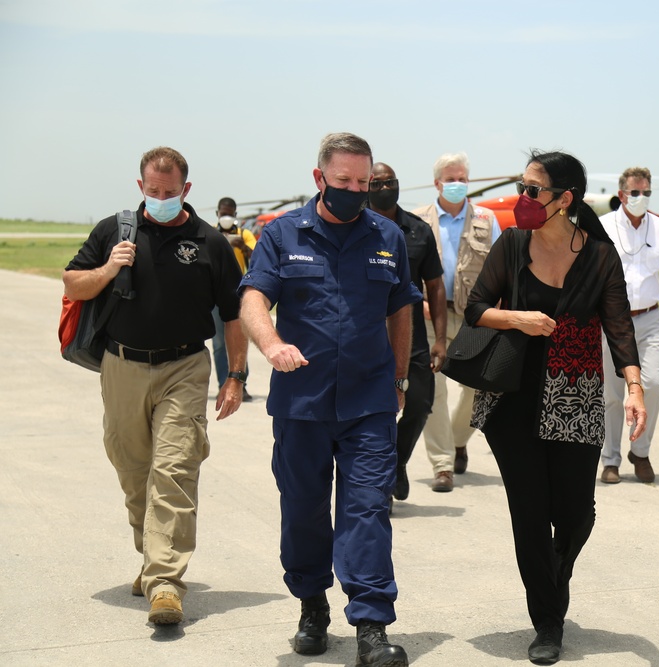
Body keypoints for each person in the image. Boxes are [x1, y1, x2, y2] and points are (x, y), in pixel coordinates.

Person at [240, 132, 420, 664]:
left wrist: (401, 378)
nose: (355, 190)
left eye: (363, 182)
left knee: (367, 510)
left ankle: (371, 627)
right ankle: (312, 604)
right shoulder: (282, 235)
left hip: (369, 401)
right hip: (302, 403)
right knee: (303, 510)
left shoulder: (387, 235)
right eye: (344, 181)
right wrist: (270, 344)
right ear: (320, 178)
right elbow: (253, 297)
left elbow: (401, 309)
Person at [466, 150, 646, 664]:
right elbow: (477, 308)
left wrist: (633, 387)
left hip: (576, 392)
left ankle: (555, 572)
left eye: (532, 190)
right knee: (529, 513)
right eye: (521, 187)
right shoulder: (512, 243)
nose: (523, 199)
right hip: (512, 397)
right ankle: (547, 620)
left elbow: (619, 327)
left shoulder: (599, 256)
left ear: (565, 200)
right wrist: (519, 319)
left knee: (574, 513)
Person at [63, 146, 247, 625]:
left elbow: (233, 315)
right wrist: (108, 268)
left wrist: (235, 376)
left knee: (174, 469)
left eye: (171, 192)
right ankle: (152, 557)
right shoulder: (113, 231)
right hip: (121, 366)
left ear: (186, 190)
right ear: (140, 186)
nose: (161, 198)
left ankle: (166, 582)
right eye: (153, 190)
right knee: (133, 469)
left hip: (184, 368)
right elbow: (73, 284)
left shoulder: (209, 242)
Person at [411, 153, 498, 491]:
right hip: (429, 315)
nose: (458, 183)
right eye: (451, 178)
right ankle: (443, 465)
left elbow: (503, 269)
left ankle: (458, 438)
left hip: (473, 316)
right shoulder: (417, 220)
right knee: (433, 390)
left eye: (462, 177)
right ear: (437, 183)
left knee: (479, 386)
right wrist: (414, 300)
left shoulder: (487, 220)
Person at [598, 167, 659, 484]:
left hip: (649, 318)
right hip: (611, 320)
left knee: (653, 385)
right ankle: (610, 460)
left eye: (646, 192)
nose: (641, 198)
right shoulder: (603, 227)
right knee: (611, 393)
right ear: (622, 194)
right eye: (636, 193)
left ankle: (641, 451)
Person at [367, 162, 448, 503]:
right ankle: (380, 483)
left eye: (391, 182)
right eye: (377, 183)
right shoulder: (355, 227)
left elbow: (436, 286)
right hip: (367, 337)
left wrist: (440, 339)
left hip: (411, 337)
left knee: (420, 404)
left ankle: (396, 463)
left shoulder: (417, 231)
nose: (385, 188)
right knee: (375, 413)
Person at [212, 196, 255, 401]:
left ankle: (240, 383)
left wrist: (242, 247)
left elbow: (258, 257)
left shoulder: (244, 234)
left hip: (238, 294)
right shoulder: (210, 233)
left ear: (236, 215)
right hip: (214, 295)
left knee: (239, 340)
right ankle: (223, 383)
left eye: (230, 214)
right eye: (223, 213)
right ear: (217, 214)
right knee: (219, 343)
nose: (226, 217)